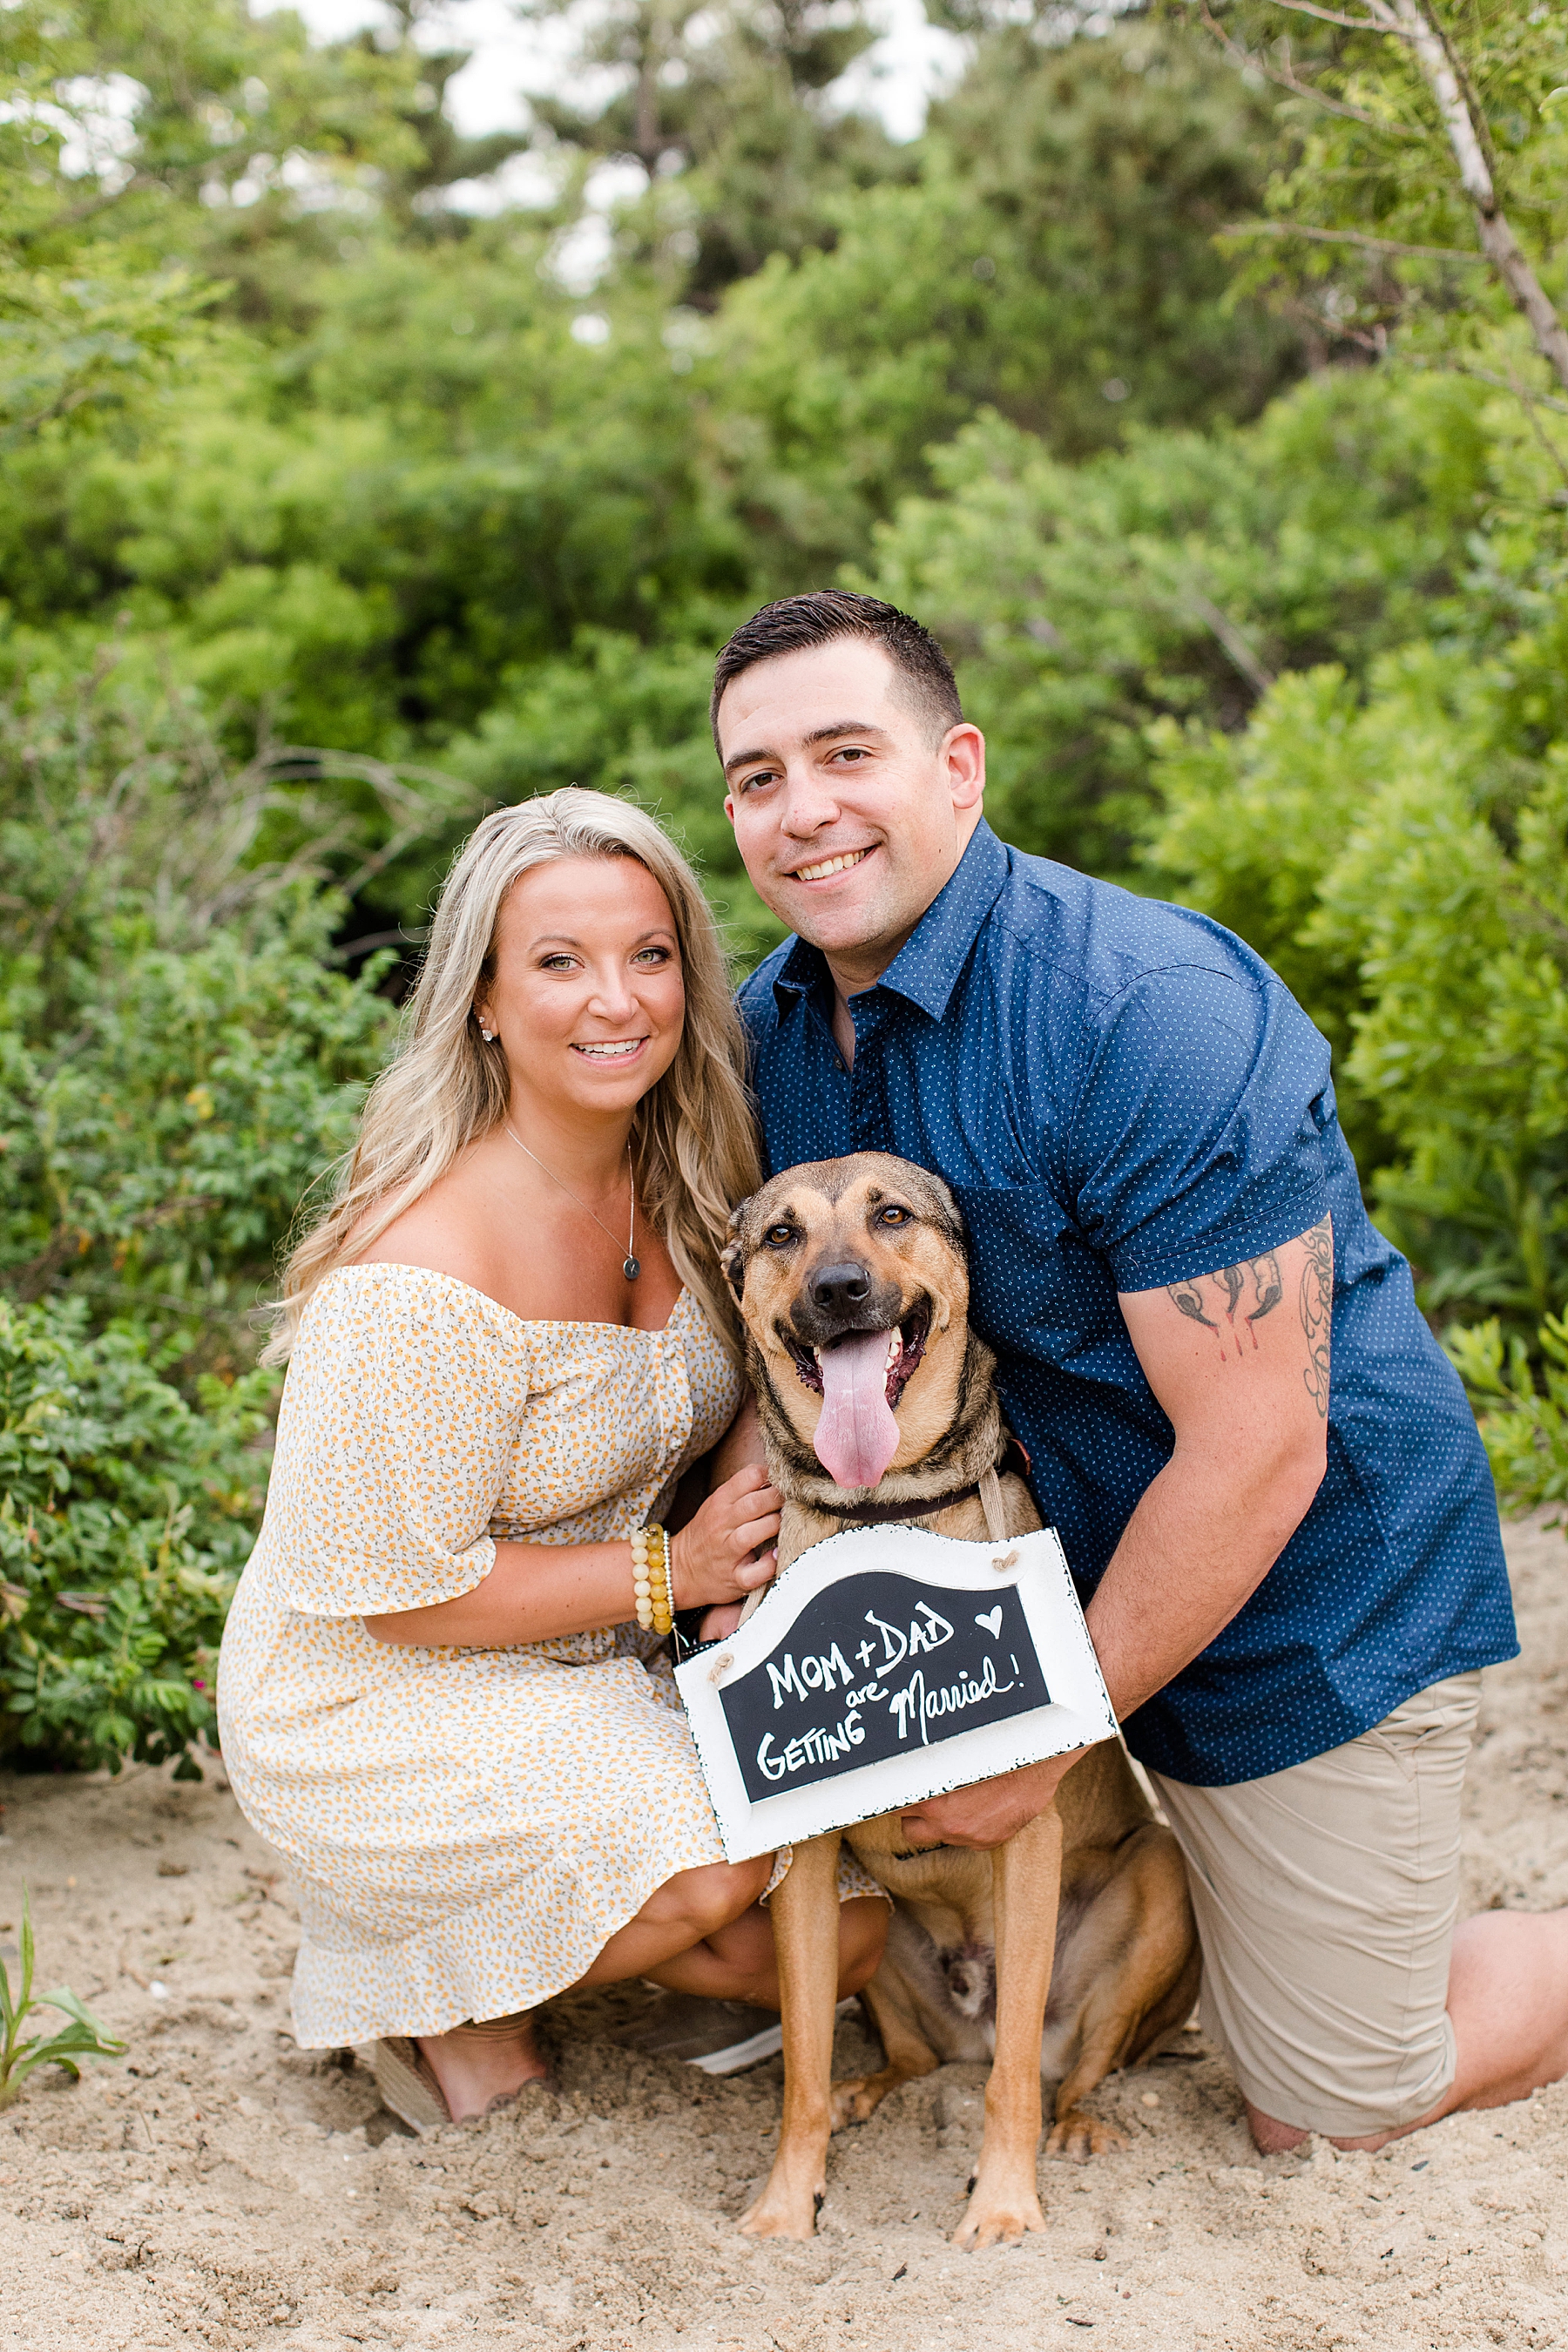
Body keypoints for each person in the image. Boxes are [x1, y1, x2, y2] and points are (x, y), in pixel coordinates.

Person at [715, 588, 1568, 2155]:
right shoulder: (767, 1029)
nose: (803, 808)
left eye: (848, 753)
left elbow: (1258, 1453)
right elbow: (780, 1318)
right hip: (1036, 1579)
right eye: (758, 776)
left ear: (959, 767)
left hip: (1298, 1602)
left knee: (1323, 2102)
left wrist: (1044, 1737)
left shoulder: (1146, 1013)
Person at [218, 787, 886, 2127]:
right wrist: (671, 1569)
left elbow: (757, 1362)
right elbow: (403, 1592)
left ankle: (534, 1924)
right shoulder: (422, 1269)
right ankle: (431, 1998)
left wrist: (745, 1533)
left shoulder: (694, 1170)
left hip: (593, 1662)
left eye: (648, 956)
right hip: (376, 1689)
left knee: (842, 1934)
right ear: (480, 995)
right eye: (559, 963)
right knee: (708, 1887)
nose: (615, 1001)